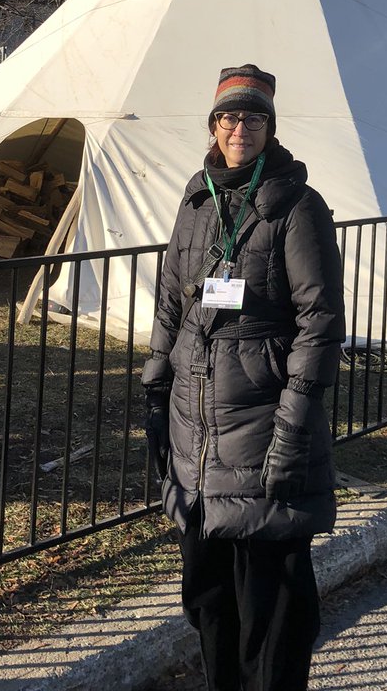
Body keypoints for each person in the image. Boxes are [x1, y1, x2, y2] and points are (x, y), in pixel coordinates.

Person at [142, 63, 345, 691]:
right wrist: (157, 380)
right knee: (208, 594)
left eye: (253, 117)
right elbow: (172, 299)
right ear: (213, 125)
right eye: (230, 116)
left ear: (270, 127)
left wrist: (294, 422)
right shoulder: (197, 197)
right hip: (195, 426)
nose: (240, 127)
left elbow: (320, 320)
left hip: (261, 422)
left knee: (274, 602)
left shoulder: (295, 207)